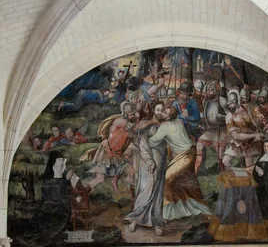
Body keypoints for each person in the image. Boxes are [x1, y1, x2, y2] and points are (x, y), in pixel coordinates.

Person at [149, 106, 211, 220]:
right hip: (191, 152)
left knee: (168, 179)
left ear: (168, 116)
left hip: (185, 156)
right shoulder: (178, 121)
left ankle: (167, 213)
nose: (163, 112)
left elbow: (153, 141)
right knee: (187, 182)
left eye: (165, 111)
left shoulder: (164, 126)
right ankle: (186, 207)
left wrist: (148, 137)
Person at [124, 102, 167, 236]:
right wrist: (149, 161)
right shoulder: (147, 123)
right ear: (153, 110)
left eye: (162, 110)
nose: (159, 112)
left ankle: (156, 223)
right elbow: (142, 144)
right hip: (148, 162)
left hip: (161, 162)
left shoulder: (165, 124)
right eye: (157, 109)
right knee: (146, 189)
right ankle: (135, 219)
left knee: (157, 193)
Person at [82, 101, 136, 190]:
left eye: (133, 114)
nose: (132, 116)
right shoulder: (122, 121)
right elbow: (133, 130)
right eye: (130, 114)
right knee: (100, 179)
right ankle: (83, 191)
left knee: (131, 172)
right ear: (124, 113)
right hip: (106, 152)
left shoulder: (126, 122)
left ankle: (130, 193)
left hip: (116, 154)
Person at [222, 90, 263, 168]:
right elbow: (236, 136)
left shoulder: (247, 110)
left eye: (232, 103)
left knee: (249, 168)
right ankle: (238, 174)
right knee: (225, 162)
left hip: (249, 144)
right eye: (229, 104)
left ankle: (248, 175)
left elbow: (259, 121)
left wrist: (265, 125)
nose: (230, 106)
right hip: (237, 143)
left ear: (237, 102)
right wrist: (254, 135)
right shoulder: (229, 116)